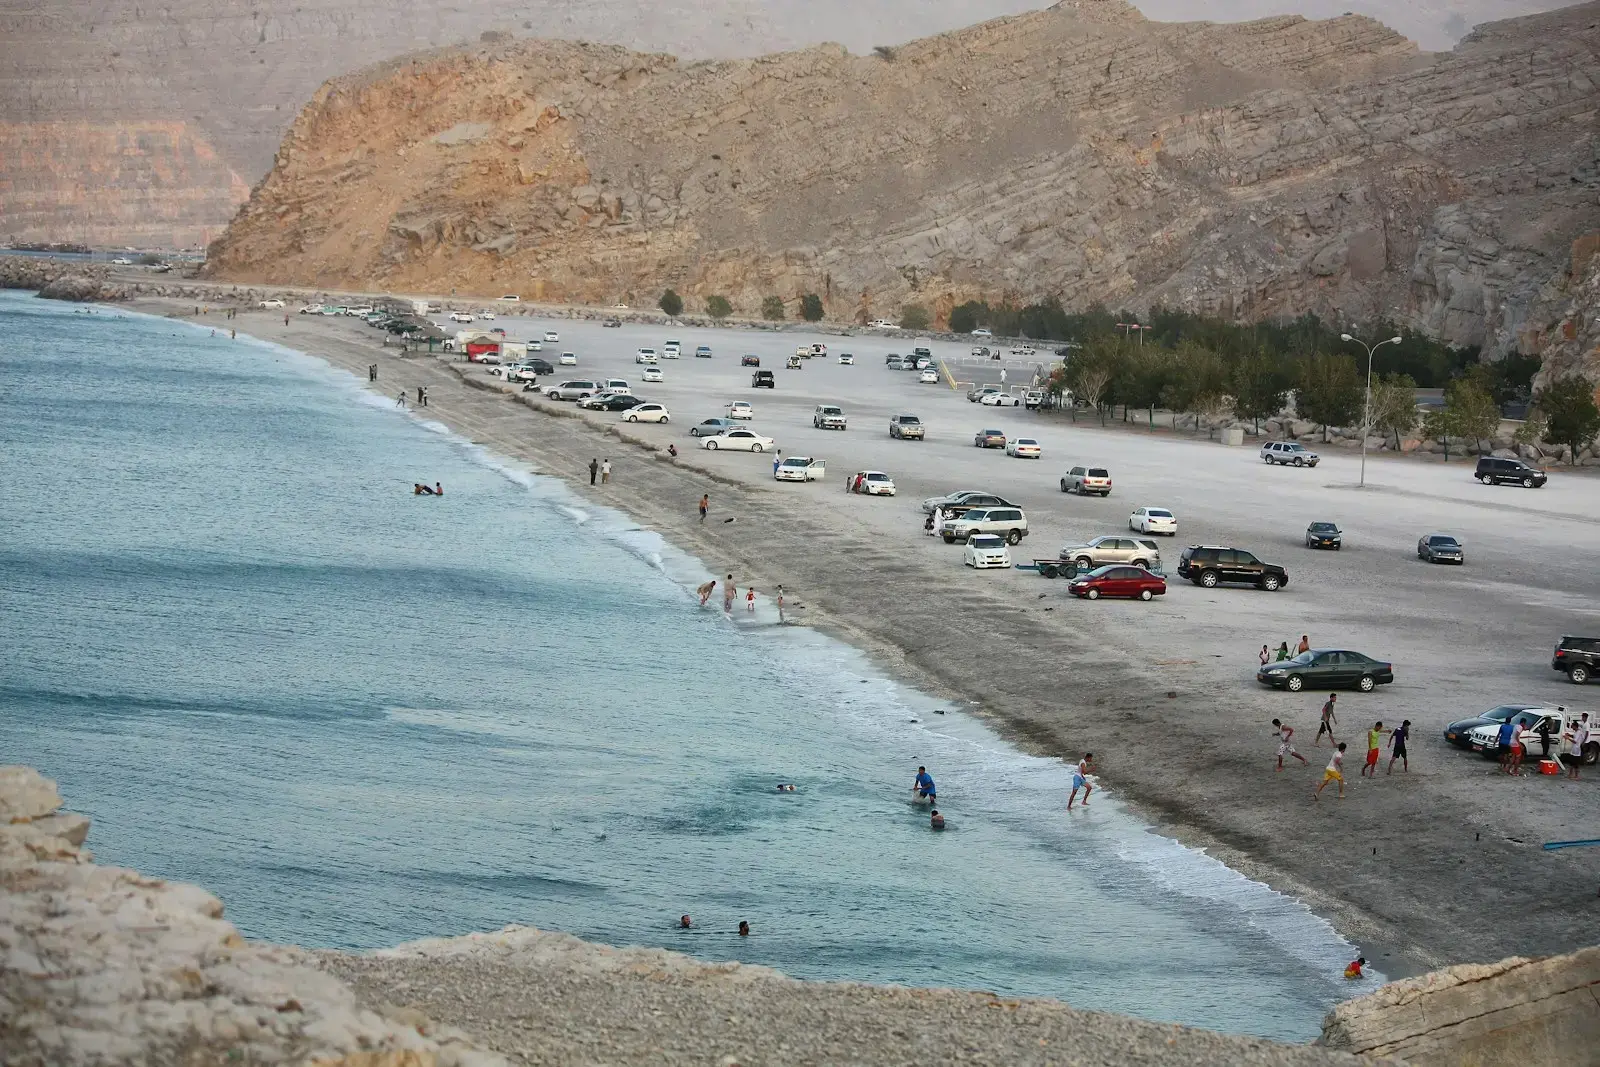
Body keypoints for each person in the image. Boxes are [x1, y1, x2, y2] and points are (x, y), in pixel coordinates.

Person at [1560, 714, 1588, 780]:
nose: (1572, 728)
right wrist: (1569, 735)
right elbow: (1574, 736)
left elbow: (1575, 741)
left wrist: (1567, 738)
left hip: (1576, 750)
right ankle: (1570, 774)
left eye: (1572, 726)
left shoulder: (1578, 732)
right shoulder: (1576, 732)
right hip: (1573, 750)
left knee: (1575, 764)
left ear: (1575, 726)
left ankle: (1576, 776)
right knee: (1571, 763)